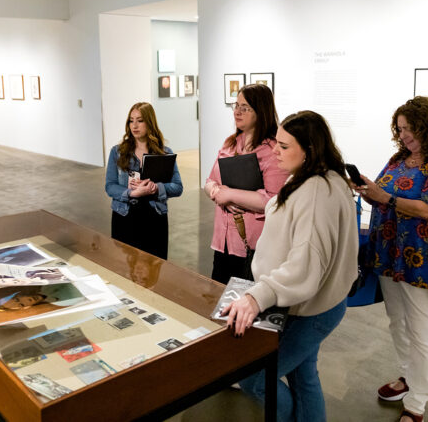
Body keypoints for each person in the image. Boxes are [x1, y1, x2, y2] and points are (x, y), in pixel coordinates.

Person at [223, 110, 358, 422]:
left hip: (310, 309)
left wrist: (258, 295)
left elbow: (305, 264)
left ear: (309, 149)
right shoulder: (321, 176)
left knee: (257, 379)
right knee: (304, 376)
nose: (274, 150)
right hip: (314, 304)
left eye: (284, 147)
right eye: (277, 143)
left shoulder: (314, 192)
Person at [354, 96, 428, 422]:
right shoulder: (399, 158)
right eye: (399, 129)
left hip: (423, 259)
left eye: (409, 129)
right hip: (389, 253)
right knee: (398, 321)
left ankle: (417, 402)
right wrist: (368, 190)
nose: (403, 135)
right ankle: (408, 376)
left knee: (422, 331)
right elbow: (383, 195)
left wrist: (385, 197)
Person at [204, 84, 289, 284]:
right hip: (223, 241)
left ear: (261, 111)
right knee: (219, 298)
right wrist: (217, 192)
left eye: (245, 107)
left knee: (247, 304)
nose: (237, 112)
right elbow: (210, 181)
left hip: (251, 245)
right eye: (236, 105)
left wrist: (231, 195)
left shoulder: (272, 151)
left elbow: (274, 198)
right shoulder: (230, 143)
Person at [105, 102, 183, 259]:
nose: (134, 125)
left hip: (154, 219)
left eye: (140, 120)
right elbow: (110, 186)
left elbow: (177, 187)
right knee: (125, 270)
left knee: (154, 269)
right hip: (124, 217)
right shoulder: (117, 152)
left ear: (150, 122)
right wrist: (131, 193)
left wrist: (156, 188)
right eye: (131, 120)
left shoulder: (164, 153)